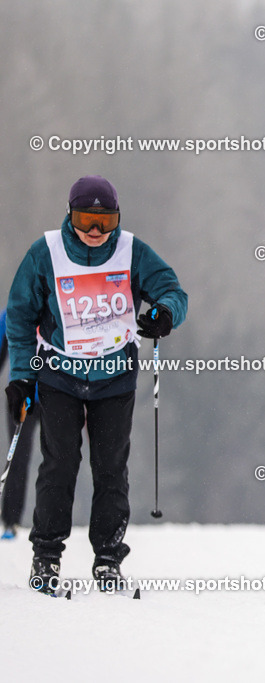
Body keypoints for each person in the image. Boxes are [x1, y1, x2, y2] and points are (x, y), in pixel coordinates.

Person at [5, 175, 187, 595]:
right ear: (70, 216)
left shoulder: (132, 252)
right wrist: (20, 376)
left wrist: (164, 313)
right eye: (86, 219)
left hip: (114, 379)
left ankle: (108, 559)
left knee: (110, 470)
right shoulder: (45, 252)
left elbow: (173, 292)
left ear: (116, 220)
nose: (94, 231)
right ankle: (46, 556)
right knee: (59, 466)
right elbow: (19, 316)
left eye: (104, 221)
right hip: (59, 376)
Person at [0, 307, 39, 539]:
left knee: (60, 460)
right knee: (17, 457)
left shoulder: (57, 305)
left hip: (57, 397)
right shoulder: (11, 314)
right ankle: (11, 521)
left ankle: (53, 523)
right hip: (20, 397)